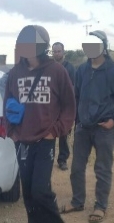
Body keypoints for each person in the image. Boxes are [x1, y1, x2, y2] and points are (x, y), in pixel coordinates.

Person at [3, 25, 76, 223]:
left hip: (45, 138)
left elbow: (70, 105)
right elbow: (7, 102)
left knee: (40, 190)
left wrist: (56, 131)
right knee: (27, 191)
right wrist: (11, 131)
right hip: (22, 140)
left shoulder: (56, 70)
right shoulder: (15, 73)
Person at [61, 30, 114, 223]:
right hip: (83, 127)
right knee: (76, 167)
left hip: (104, 129)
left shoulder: (113, 71)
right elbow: (76, 97)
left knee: (102, 169)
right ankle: (77, 201)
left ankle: (100, 206)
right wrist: (73, 120)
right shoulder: (82, 70)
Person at [51, 41, 76, 171]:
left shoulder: (70, 68)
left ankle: (62, 160)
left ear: (63, 52)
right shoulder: (49, 67)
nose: (56, 53)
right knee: (49, 133)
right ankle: (49, 158)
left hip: (64, 107)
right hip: (51, 107)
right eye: (54, 51)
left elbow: (72, 89)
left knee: (64, 134)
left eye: (59, 51)